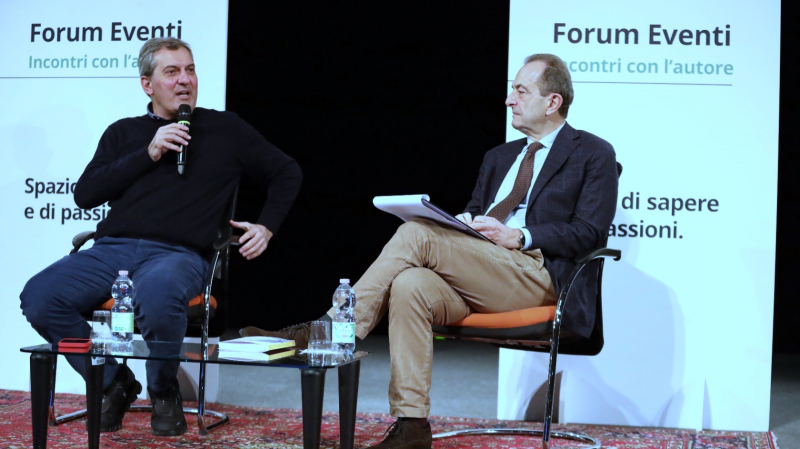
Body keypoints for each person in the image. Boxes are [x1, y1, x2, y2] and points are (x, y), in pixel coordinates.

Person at [241, 53, 618, 449]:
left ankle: (331, 331)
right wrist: (464, 223)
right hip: (482, 270)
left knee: (416, 233)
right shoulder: (500, 157)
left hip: (536, 275)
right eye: (512, 90)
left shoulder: (593, 153)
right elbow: (477, 210)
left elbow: (590, 232)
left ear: (552, 101)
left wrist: (519, 235)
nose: (510, 99)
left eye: (521, 91)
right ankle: (412, 425)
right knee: (410, 284)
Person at [19, 37, 302, 436]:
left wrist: (266, 225)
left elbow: (287, 171)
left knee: (156, 293)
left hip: (178, 254)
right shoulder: (123, 132)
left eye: (190, 70)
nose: (185, 80)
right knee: (40, 297)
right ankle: (113, 381)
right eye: (172, 72)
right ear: (147, 84)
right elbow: (85, 194)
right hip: (111, 251)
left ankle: (163, 389)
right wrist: (148, 153)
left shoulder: (226, 129)